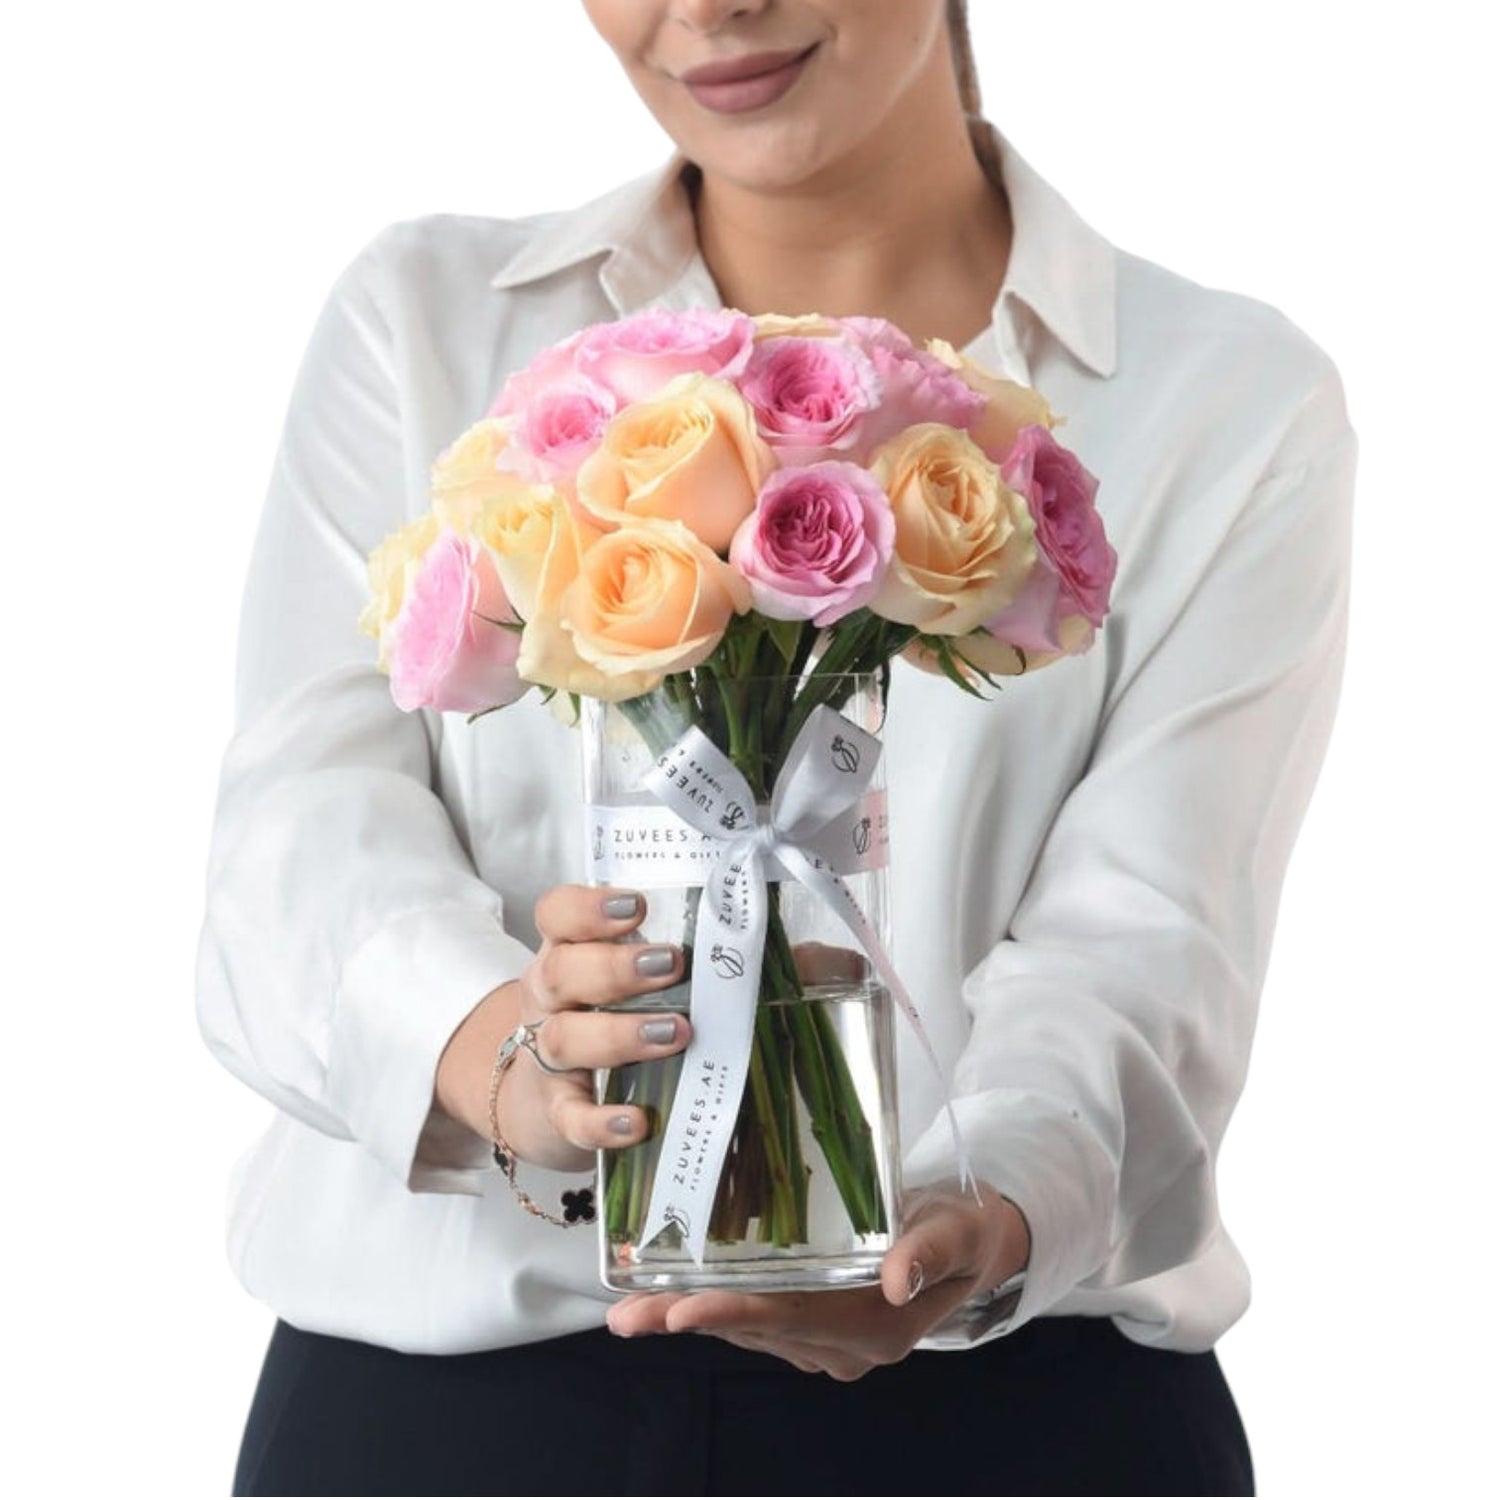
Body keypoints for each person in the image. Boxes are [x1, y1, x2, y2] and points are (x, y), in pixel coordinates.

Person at [197, 1, 1355, 1494]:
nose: (709, 7)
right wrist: (509, 1062)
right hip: (444, 1431)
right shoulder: (425, 321)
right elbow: (295, 838)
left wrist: (989, 1207)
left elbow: (1147, 945)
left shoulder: (1228, 400)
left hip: (1007, 1420)